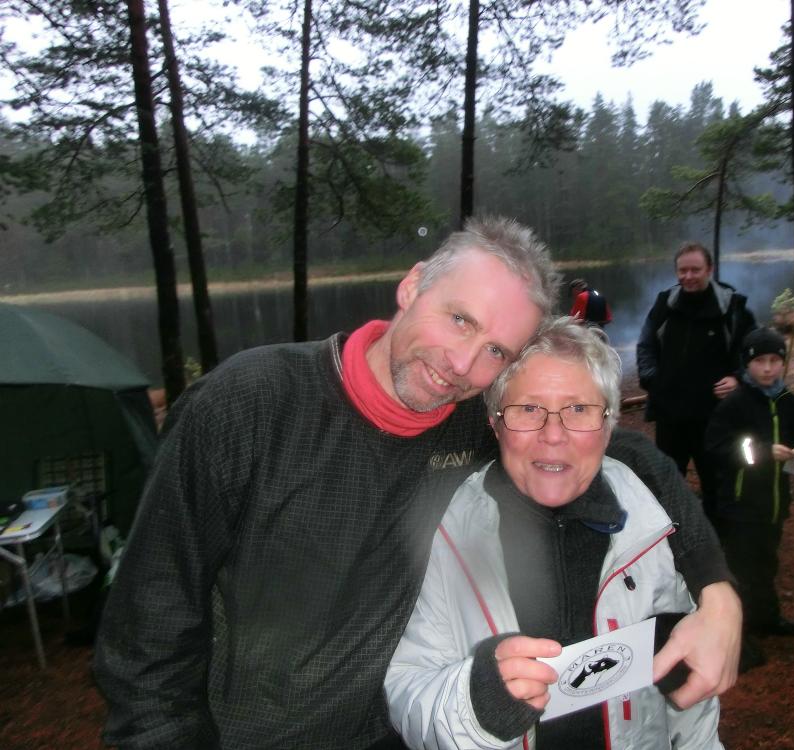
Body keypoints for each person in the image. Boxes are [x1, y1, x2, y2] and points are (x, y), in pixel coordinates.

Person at [93, 217, 741, 750]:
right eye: (459, 319)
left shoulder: (469, 420)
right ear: (411, 287)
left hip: (393, 732)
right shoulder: (248, 405)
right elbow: (149, 633)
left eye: (495, 351)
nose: (462, 363)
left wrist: (718, 595)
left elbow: (619, 451)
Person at [386, 317, 722, 749]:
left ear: (608, 424)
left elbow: (692, 704)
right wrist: (476, 703)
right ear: (495, 422)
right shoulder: (447, 535)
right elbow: (408, 692)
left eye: (578, 409)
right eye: (528, 409)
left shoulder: (653, 524)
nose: (553, 435)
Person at [705, 328, 794, 671]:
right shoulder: (735, 404)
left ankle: (767, 618)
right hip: (741, 504)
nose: (767, 368)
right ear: (747, 364)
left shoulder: (788, 401)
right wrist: (763, 452)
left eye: (774, 361)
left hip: (774, 503)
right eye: (759, 362)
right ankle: (736, 636)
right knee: (741, 568)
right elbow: (718, 448)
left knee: (767, 563)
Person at [637, 242, 757, 525]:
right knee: (667, 482)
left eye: (695, 270)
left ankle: (717, 539)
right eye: (683, 271)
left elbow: (753, 351)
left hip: (715, 416)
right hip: (671, 413)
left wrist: (738, 378)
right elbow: (646, 345)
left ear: (710, 270)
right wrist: (653, 379)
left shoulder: (732, 307)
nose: (688, 276)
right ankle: (670, 536)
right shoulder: (666, 303)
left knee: (716, 482)